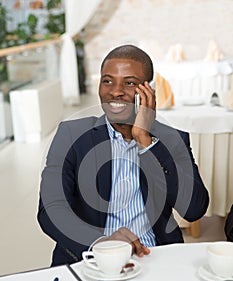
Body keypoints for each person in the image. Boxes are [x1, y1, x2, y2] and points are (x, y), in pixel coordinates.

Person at [37, 44, 209, 266]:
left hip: (154, 256)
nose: (115, 91)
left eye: (129, 83)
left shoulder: (172, 139)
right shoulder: (71, 135)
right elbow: (50, 209)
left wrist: (146, 142)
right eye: (107, 81)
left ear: (148, 90)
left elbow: (194, 209)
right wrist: (100, 243)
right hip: (91, 257)